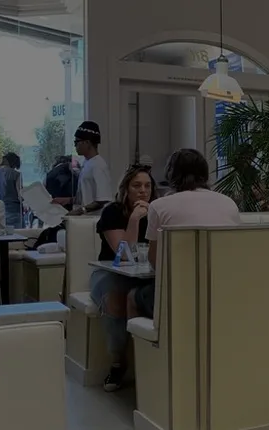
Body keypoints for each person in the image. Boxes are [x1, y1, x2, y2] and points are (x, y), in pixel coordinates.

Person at [127, 149, 241, 320]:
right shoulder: (229, 204)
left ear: (171, 174)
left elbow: (155, 260)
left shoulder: (159, 206)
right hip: (224, 292)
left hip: (179, 294)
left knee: (132, 297)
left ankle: (154, 335)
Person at [90, 165, 156, 392]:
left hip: (143, 275)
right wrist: (135, 219)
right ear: (126, 189)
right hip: (109, 273)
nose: (143, 191)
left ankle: (148, 364)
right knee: (116, 298)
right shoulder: (113, 212)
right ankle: (118, 362)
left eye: (147, 186)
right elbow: (123, 255)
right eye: (137, 186)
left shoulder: (156, 212)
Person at [53, 121, 113, 215]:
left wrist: (80, 211)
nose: (75, 145)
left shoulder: (98, 166)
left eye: (76, 142)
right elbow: (85, 197)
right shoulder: (87, 163)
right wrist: (67, 200)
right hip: (84, 220)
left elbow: (103, 200)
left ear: (87, 142)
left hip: (93, 221)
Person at [0, 152, 22, 228]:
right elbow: (20, 195)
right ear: (13, 163)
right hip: (13, 211)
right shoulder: (16, 174)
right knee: (16, 234)